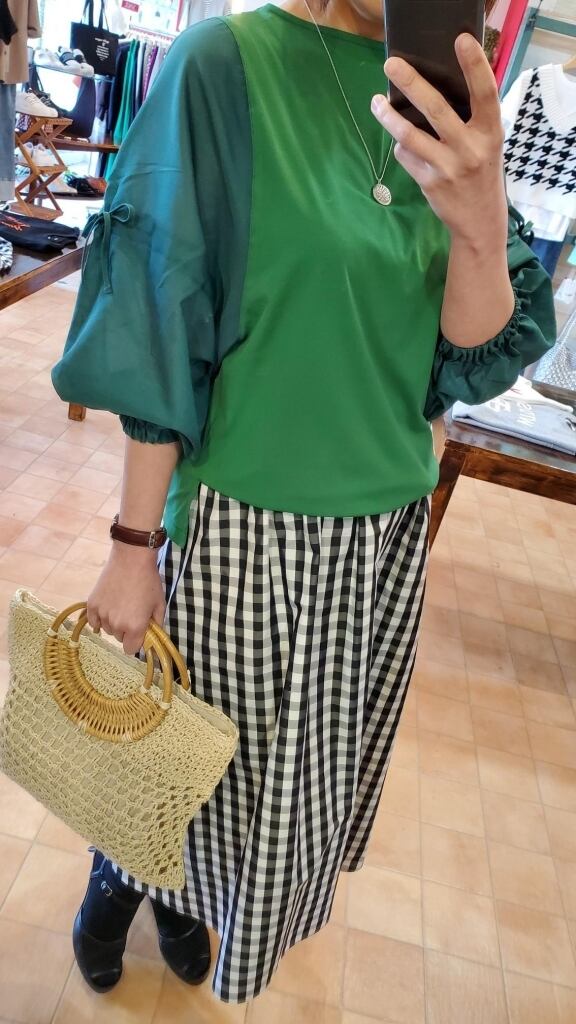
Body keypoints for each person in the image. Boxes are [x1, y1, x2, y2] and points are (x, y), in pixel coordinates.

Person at [52, 0, 555, 1006]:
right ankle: (117, 888)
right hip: (245, 523)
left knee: (275, 793)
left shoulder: (450, 99)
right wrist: (132, 545)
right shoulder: (222, 67)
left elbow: (470, 351)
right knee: (175, 752)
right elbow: (161, 310)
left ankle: (188, 899)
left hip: (382, 541)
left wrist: (479, 220)